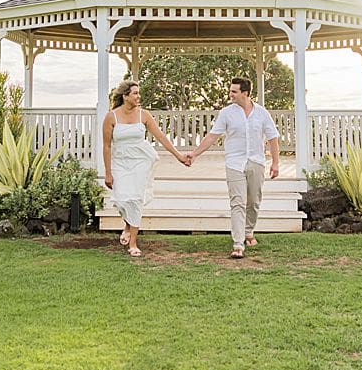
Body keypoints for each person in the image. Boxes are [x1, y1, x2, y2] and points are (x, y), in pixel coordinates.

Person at [186, 77, 280, 258]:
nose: (230, 94)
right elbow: (212, 136)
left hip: (256, 162)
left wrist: (275, 163)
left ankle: (248, 231)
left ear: (245, 93)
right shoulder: (226, 113)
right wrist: (195, 154)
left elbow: (272, 138)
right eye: (230, 91)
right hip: (234, 164)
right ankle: (238, 244)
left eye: (234, 91)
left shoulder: (262, 113)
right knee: (237, 203)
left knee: (254, 202)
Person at [102, 80, 190, 257]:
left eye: (138, 93)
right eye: (135, 93)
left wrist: (179, 156)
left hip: (141, 161)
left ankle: (133, 243)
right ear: (125, 96)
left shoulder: (144, 115)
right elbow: (107, 146)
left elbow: (161, 137)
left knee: (135, 199)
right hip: (120, 163)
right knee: (121, 200)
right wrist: (108, 172)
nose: (138, 96)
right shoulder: (111, 117)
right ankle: (128, 225)